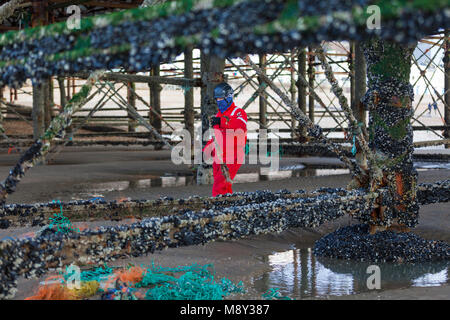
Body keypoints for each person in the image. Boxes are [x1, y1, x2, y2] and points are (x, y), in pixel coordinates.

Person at [203, 82, 248, 197]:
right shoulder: (218, 115)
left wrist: (222, 122)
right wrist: (207, 149)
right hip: (219, 155)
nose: (219, 101)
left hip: (233, 154)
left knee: (220, 184)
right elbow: (216, 136)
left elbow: (239, 126)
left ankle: (217, 206)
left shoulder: (238, 112)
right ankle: (227, 205)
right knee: (224, 184)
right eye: (217, 99)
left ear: (229, 97)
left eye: (221, 98)